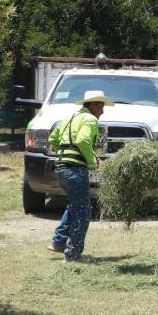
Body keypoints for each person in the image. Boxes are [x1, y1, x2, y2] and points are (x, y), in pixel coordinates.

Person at [48, 90, 111, 262]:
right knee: (83, 212)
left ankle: (58, 243)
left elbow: (53, 138)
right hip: (75, 169)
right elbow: (83, 140)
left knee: (74, 206)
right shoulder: (90, 119)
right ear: (92, 104)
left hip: (61, 168)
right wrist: (92, 163)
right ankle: (73, 254)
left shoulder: (69, 119)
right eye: (101, 106)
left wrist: (65, 152)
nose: (103, 111)